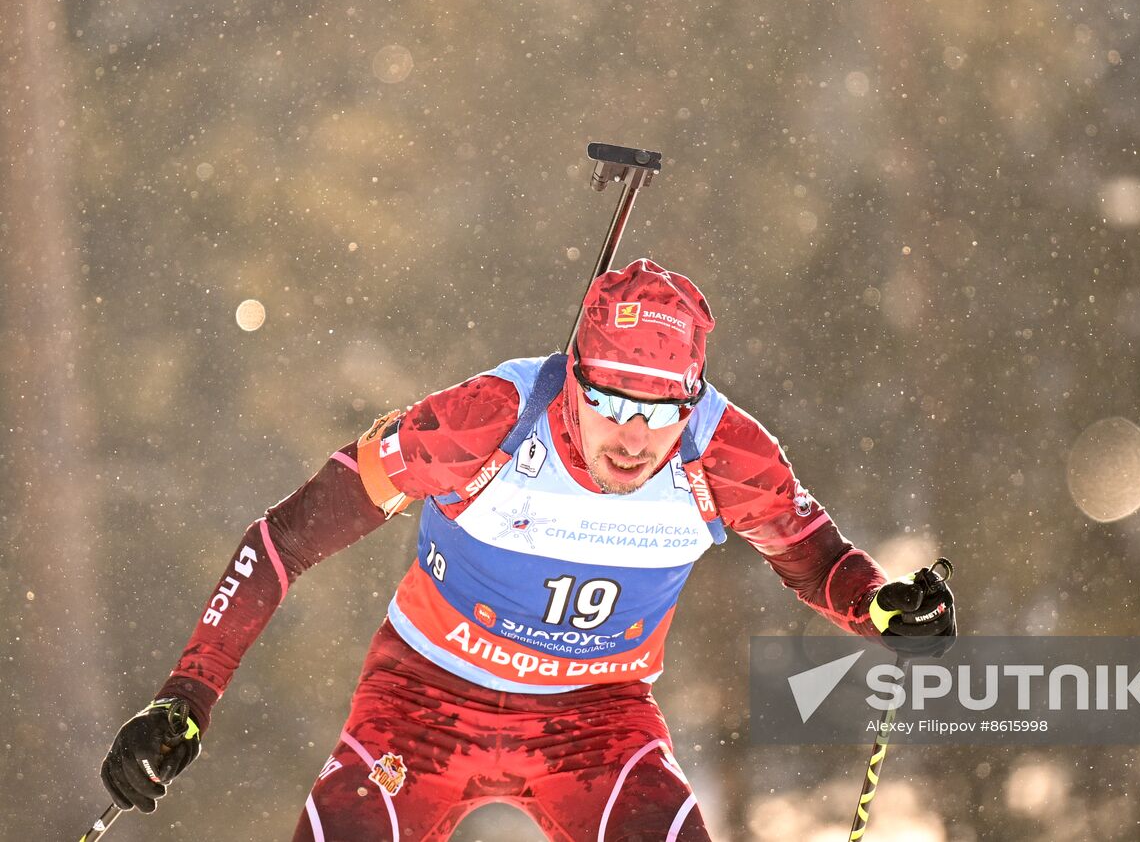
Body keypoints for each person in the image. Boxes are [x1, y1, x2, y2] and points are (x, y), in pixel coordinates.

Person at [100, 258, 956, 841]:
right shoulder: (483, 421)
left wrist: (883, 608)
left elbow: (816, 560)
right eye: (611, 402)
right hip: (423, 706)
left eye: (662, 413)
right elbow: (283, 542)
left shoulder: (724, 452)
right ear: (574, 374)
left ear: (693, 400)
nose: (633, 438)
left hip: (596, 723)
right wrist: (186, 699)